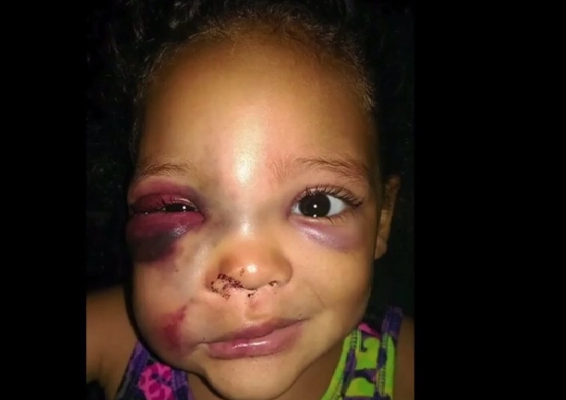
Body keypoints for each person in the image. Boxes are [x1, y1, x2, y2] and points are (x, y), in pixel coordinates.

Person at [86, 1, 414, 399]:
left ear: (383, 218)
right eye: (177, 208)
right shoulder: (113, 337)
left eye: (317, 205)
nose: (249, 271)